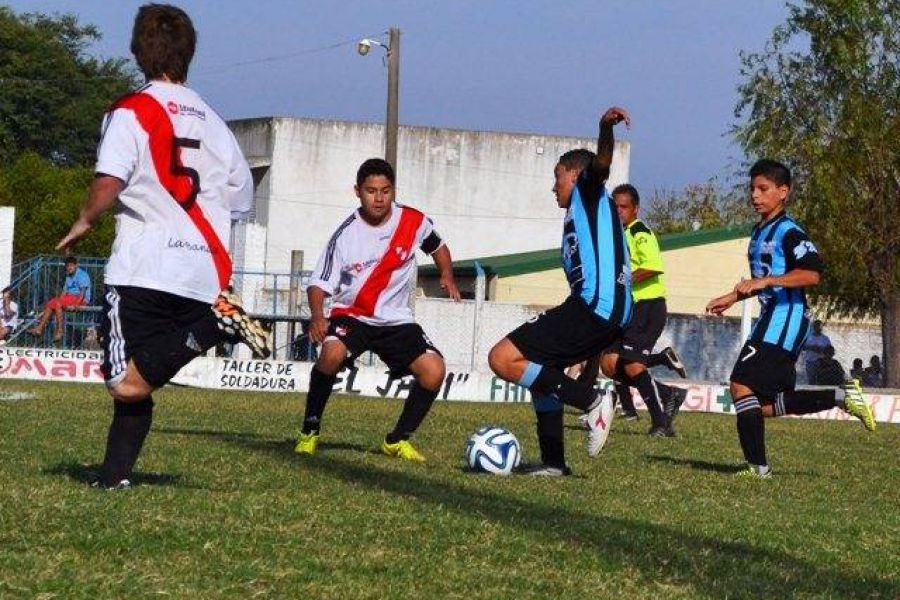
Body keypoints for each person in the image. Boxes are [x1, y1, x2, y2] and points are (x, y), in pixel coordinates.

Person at [55, 4, 270, 489]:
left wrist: (86, 219)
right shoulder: (217, 124)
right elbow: (239, 200)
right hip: (199, 274)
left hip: (143, 266)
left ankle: (213, 325)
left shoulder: (131, 112)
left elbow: (111, 179)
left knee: (123, 380)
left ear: (137, 52)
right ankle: (114, 478)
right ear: (189, 53)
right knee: (137, 383)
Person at [706, 159, 876, 479]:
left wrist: (765, 282)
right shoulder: (759, 232)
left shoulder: (789, 231)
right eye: (752, 189)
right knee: (765, 404)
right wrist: (734, 296)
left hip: (786, 320)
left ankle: (758, 470)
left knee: (741, 385)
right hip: (772, 318)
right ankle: (839, 396)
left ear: (783, 192)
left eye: (763, 189)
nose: (755, 195)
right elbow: (764, 279)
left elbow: (811, 274)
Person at [487, 106, 632, 477]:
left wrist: (603, 128)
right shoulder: (581, 215)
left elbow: (600, 164)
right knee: (540, 369)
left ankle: (593, 401)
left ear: (575, 175)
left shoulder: (588, 191)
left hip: (595, 308)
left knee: (502, 358)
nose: (554, 187)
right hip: (604, 311)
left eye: (558, 178)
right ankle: (554, 463)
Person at [294, 158, 460, 462]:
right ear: (358, 191)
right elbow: (318, 283)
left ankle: (397, 440)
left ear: (393, 190)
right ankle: (310, 430)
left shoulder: (412, 221)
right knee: (330, 356)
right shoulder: (345, 234)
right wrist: (318, 316)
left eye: (386, 190)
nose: (379, 198)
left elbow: (438, 246)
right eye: (371, 191)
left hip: (396, 322)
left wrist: (447, 275)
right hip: (352, 315)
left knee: (434, 372)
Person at [598, 183, 688, 436]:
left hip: (648, 306)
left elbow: (652, 266)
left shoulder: (640, 232)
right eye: (614, 206)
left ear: (635, 209)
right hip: (628, 309)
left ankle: (661, 423)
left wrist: (622, 281)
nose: (618, 211)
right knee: (609, 364)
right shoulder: (618, 235)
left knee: (632, 365)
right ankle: (668, 392)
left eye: (623, 207)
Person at [26, 257, 92, 342]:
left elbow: (82, 293)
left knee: (58, 304)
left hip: (80, 298)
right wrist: (59, 300)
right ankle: (39, 328)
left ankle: (60, 331)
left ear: (76, 265)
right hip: (70, 297)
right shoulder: (68, 275)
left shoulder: (82, 275)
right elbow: (64, 291)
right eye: (67, 266)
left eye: (71, 266)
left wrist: (76, 305)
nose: (69, 268)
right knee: (51, 303)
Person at [801, 320, 831, 384]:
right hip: (810, 362)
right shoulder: (808, 337)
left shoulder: (825, 338)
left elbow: (831, 351)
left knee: (821, 381)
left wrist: (821, 349)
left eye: (819, 326)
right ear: (813, 327)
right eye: (816, 326)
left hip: (822, 363)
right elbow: (802, 348)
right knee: (811, 381)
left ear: (822, 327)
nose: (818, 327)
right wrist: (811, 347)